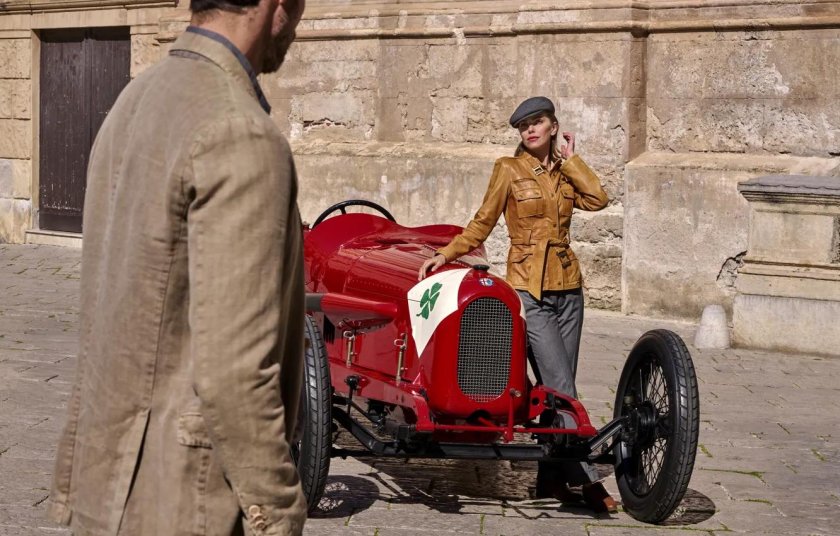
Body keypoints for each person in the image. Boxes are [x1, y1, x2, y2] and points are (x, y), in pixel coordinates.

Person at [48, 0, 308, 533]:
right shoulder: (240, 131)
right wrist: (279, 512)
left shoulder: (134, 97)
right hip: (187, 498)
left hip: (107, 486)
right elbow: (236, 373)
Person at [418, 96, 617, 513]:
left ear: (553, 127)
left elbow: (598, 199)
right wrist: (447, 253)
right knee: (563, 388)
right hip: (529, 288)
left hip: (569, 288)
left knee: (555, 387)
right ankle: (587, 480)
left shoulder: (564, 172)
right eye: (524, 125)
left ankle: (551, 479)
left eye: (537, 122)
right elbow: (483, 221)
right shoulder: (508, 169)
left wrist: (572, 161)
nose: (530, 130)